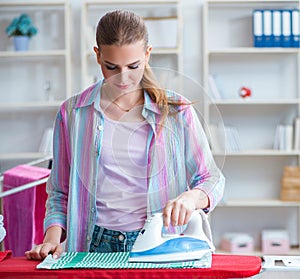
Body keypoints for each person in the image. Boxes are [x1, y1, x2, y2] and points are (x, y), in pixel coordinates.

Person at [25, 10, 224, 260]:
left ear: (148, 54)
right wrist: (52, 238)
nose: (123, 78)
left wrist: (191, 198)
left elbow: (211, 178)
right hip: (93, 242)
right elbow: (60, 190)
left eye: (133, 66)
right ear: (97, 55)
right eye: (112, 67)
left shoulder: (176, 112)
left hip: (158, 242)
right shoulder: (73, 113)